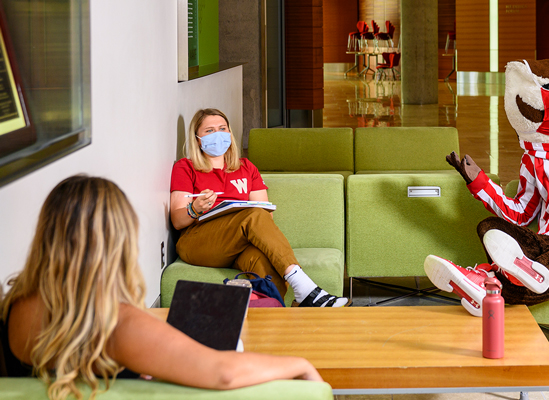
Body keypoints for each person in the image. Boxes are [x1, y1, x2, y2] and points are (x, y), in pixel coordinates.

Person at [0, 175, 323, 400]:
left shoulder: (13, 305)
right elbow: (222, 373)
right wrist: (300, 363)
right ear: (117, 241)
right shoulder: (117, 324)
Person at [170, 108, 347, 307]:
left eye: (222, 129)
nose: (217, 135)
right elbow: (177, 221)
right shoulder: (185, 167)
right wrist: (195, 208)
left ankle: (276, 317)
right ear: (197, 138)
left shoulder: (246, 167)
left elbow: (265, 216)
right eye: (209, 131)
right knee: (253, 214)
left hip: (237, 244)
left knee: (264, 262)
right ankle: (307, 289)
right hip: (198, 241)